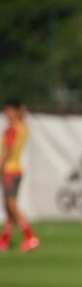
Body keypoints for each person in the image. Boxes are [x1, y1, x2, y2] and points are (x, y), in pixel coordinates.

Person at [0, 99, 39, 252]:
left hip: (9, 170)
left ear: (15, 111)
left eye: (9, 110)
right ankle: (4, 240)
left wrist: (1, 166)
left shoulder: (12, 129)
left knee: (11, 206)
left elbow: (8, 150)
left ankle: (30, 237)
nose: (6, 113)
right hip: (16, 170)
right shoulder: (23, 127)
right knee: (9, 207)